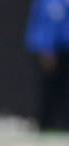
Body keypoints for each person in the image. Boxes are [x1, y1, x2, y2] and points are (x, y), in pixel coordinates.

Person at [26, 0, 69, 129]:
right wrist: (45, 47)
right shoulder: (46, 2)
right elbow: (41, 23)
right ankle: (45, 124)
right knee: (49, 90)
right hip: (53, 52)